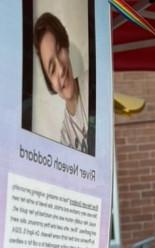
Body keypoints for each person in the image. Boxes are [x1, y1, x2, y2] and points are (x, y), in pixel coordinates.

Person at [34, 12, 89, 154]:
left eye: (59, 51)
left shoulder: (92, 84)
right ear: (50, 84)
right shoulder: (65, 136)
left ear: (67, 47)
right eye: (52, 69)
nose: (61, 69)